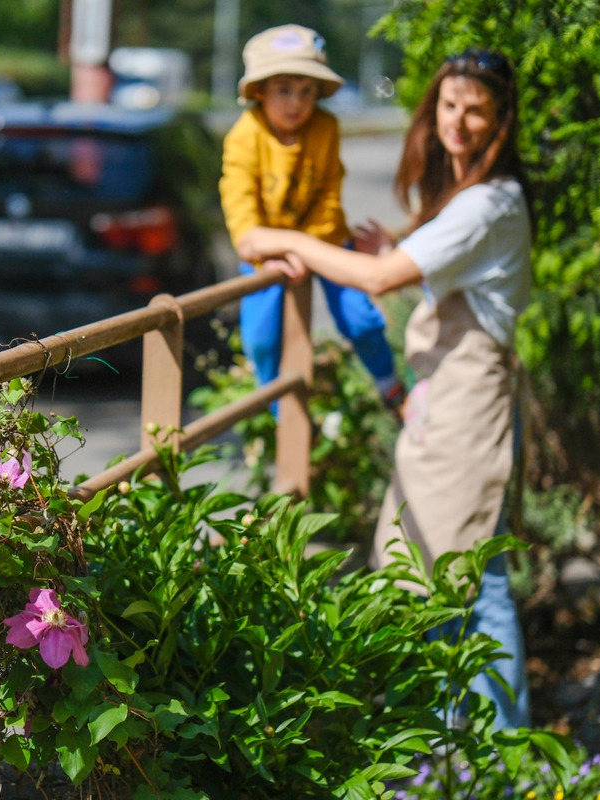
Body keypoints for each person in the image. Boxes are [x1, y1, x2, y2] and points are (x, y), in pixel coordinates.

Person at [237, 47, 533, 730]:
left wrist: (282, 239)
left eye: (475, 111)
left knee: (474, 581)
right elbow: (422, 263)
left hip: (468, 408)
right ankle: (449, 743)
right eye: (449, 106)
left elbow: (377, 283)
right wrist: (390, 248)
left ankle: (497, 755)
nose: (457, 121)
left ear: (499, 123)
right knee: (429, 566)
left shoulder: (488, 201)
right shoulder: (468, 198)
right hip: (448, 406)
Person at [219, 24, 404, 412]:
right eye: (284, 89)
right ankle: (278, 414)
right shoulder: (245, 135)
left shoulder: (325, 126)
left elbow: (329, 194)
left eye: (307, 91)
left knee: (362, 319)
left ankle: (390, 387)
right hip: (265, 252)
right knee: (263, 339)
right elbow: (240, 205)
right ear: (260, 92)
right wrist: (263, 249)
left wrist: (310, 250)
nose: (296, 102)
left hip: (324, 238)